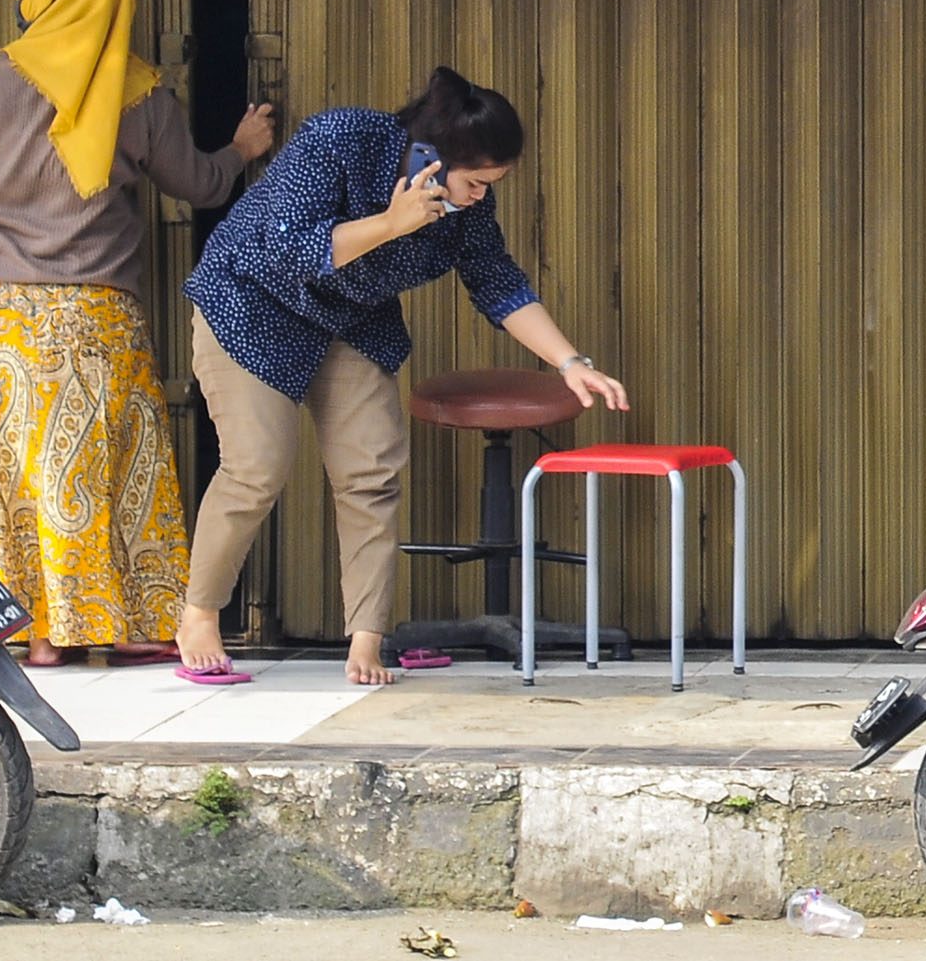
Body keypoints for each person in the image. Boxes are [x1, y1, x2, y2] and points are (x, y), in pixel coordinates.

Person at [0, 0, 279, 668]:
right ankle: (123, 623)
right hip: (98, 315)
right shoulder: (140, 92)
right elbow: (200, 185)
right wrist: (243, 149)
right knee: (113, 469)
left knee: (19, 477)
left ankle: (37, 633)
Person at [175, 67, 626, 687]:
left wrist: (571, 362)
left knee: (371, 469)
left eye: (492, 184)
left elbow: (497, 282)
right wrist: (394, 222)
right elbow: (289, 249)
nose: (481, 196)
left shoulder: (466, 210)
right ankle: (200, 614)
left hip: (351, 319)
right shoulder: (342, 138)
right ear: (433, 159)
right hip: (253, 302)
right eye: (476, 181)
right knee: (257, 466)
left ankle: (366, 638)